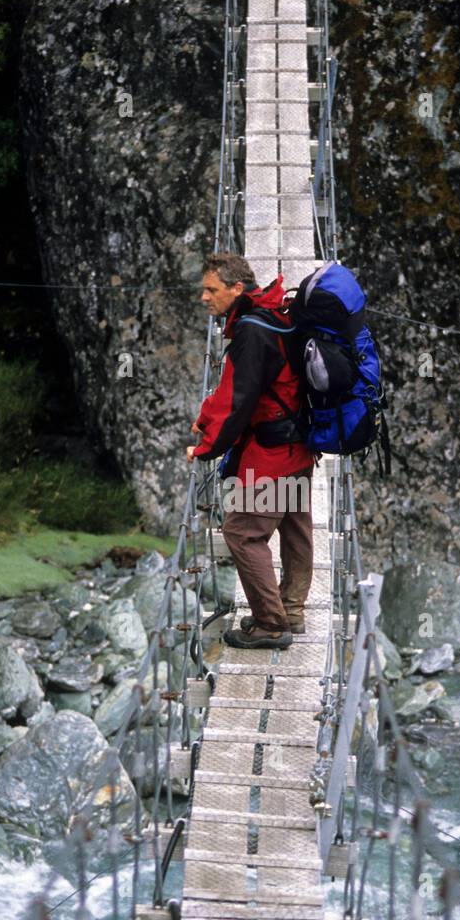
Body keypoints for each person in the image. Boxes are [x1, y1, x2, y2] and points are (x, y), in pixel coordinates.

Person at [187, 251, 316, 649]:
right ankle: (291, 610)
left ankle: (271, 624)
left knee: (241, 532)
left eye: (211, 290)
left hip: (271, 452)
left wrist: (206, 446)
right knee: (294, 524)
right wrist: (207, 418)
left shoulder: (251, 331)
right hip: (300, 443)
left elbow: (238, 399)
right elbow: (243, 387)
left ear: (236, 288)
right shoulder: (275, 312)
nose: (204, 298)